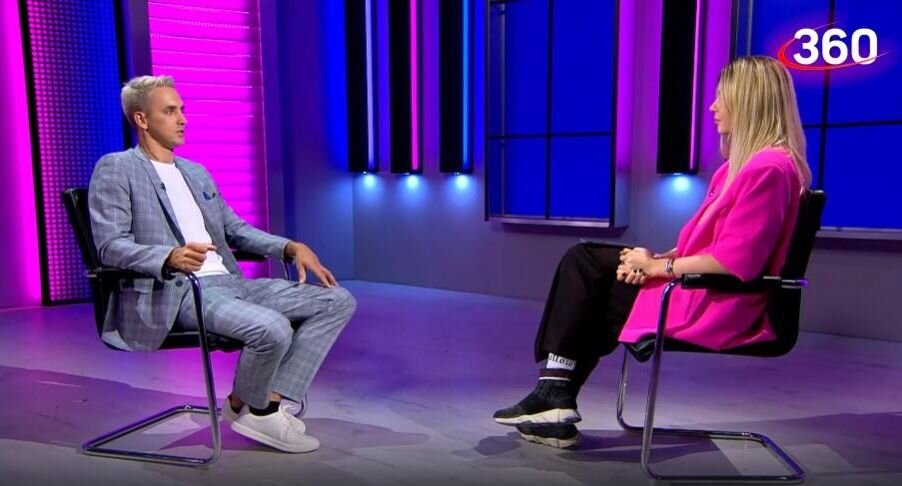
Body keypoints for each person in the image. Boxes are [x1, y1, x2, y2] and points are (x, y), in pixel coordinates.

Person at [492, 56, 812, 449]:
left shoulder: (769, 169)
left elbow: (737, 261)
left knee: (590, 272)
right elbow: (715, 241)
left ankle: (554, 393)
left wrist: (660, 268)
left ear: (749, 103)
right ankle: (554, 397)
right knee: (590, 263)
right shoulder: (742, 167)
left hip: (720, 304)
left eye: (722, 98)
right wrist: (654, 261)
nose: (712, 107)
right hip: (698, 287)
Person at [89, 75, 356, 453]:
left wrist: (289, 247)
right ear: (142, 119)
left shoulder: (195, 172)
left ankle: (261, 403)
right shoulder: (117, 168)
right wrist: (166, 257)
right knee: (272, 328)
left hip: (230, 282)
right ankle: (258, 411)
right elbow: (109, 246)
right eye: (170, 111)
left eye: (182, 109)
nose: (183, 119)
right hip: (181, 291)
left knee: (337, 300)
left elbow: (235, 230)